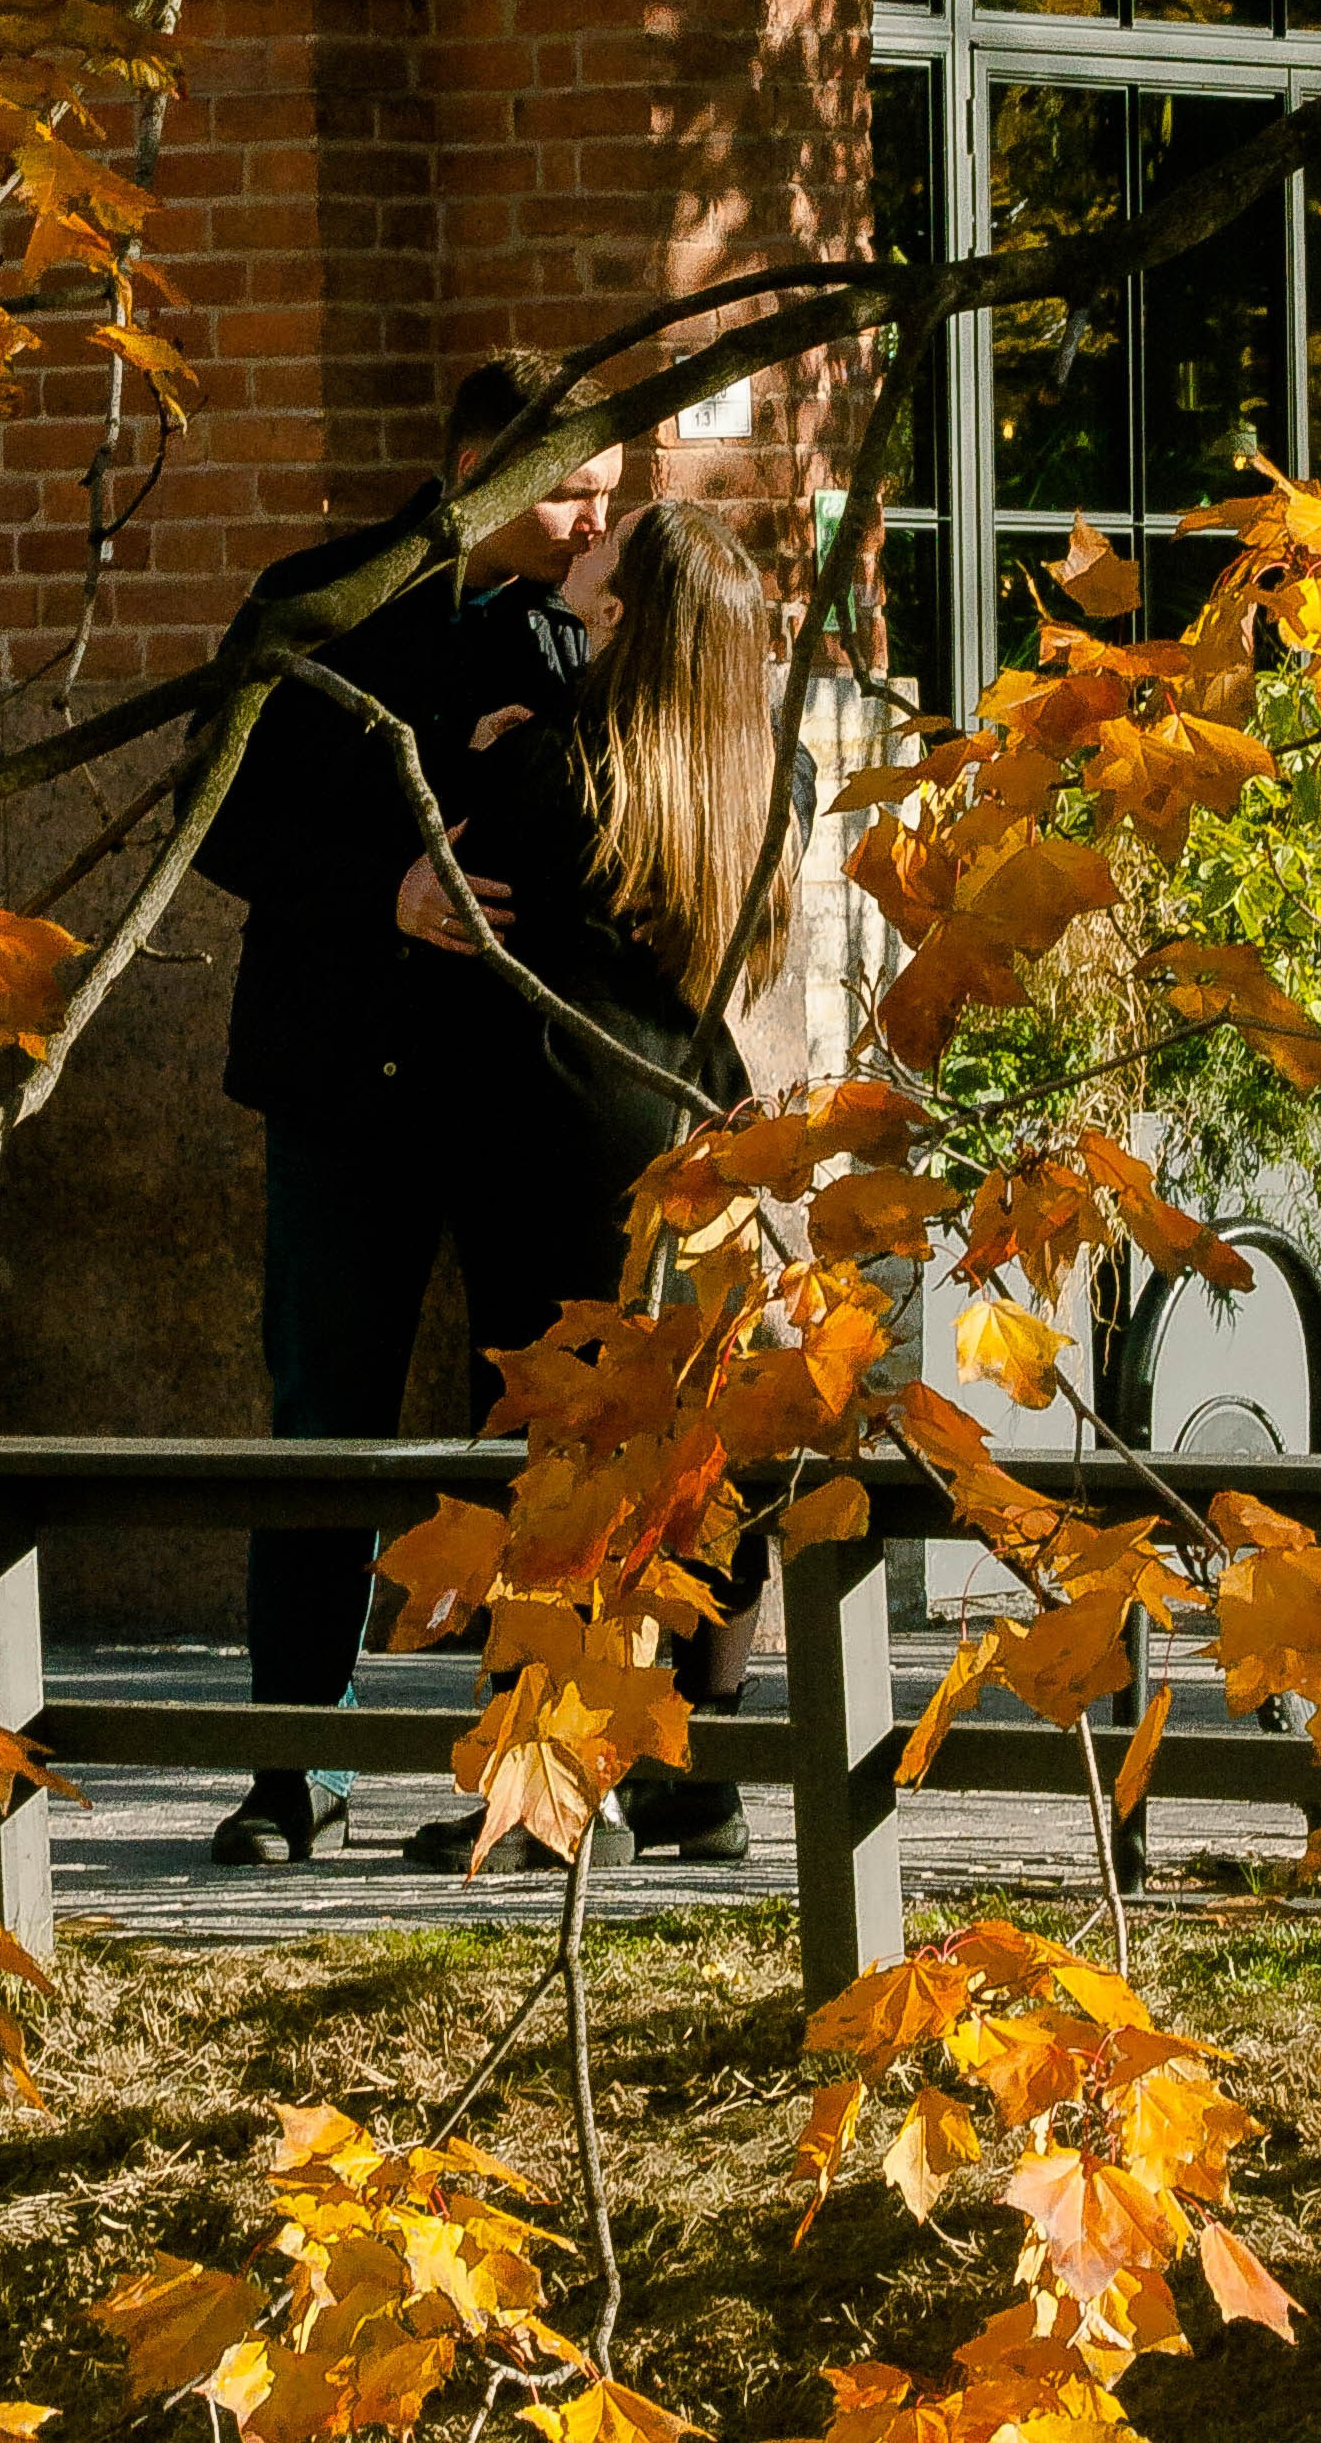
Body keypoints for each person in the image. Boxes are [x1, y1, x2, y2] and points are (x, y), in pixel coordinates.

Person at [197, 351, 622, 1865]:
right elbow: (223, 810)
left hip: (527, 1091)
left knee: (541, 1429)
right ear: (469, 473)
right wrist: (381, 890)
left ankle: (542, 1775)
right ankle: (291, 1763)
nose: (590, 520)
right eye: (566, 490)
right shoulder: (316, 595)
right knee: (322, 1416)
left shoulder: (588, 634)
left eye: (608, 494)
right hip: (339, 1073)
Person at [393, 498, 807, 1874]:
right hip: (706, 1146)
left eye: (606, 548)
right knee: (699, 1460)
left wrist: (474, 752)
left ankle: (548, 1790)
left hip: (556, 1145)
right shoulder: (763, 770)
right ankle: (697, 1767)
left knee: (554, 1462)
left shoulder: (548, 774)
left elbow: (460, 906)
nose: (584, 536)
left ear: (617, 612)